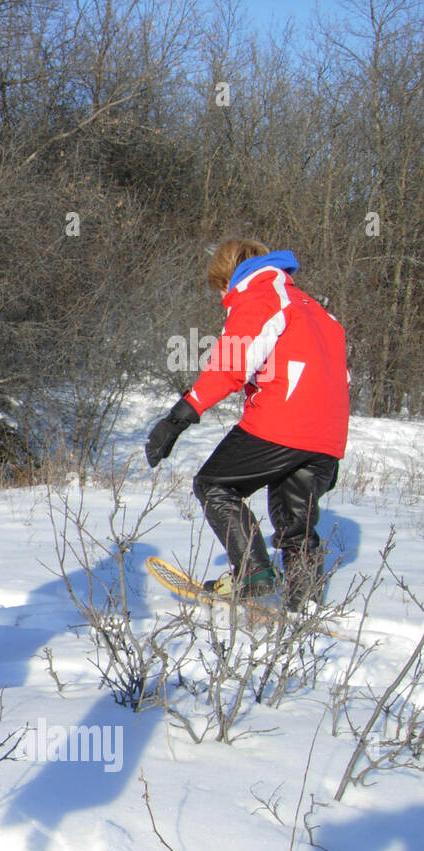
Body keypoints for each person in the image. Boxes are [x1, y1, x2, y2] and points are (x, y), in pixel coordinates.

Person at [145, 238, 349, 612]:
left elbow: (230, 365)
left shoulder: (259, 296)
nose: (222, 296)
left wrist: (178, 417)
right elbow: (340, 379)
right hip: (327, 434)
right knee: (296, 526)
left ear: (230, 276)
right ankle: (304, 606)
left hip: (282, 421)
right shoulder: (317, 311)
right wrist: (326, 448)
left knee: (215, 486)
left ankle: (253, 575)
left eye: (220, 287)